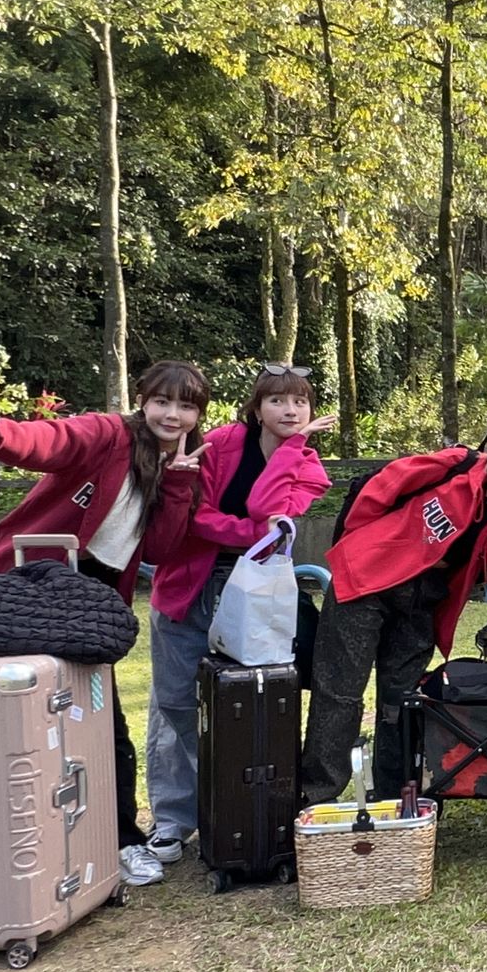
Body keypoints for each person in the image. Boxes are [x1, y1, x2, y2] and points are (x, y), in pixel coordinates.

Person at [0, 362, 212, 886]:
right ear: (142, 399)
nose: (173, 414)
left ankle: (121, 839)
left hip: (88, 607)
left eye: (186, 406)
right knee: (10, 719)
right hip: (28, 585)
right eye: (162, 401)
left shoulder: (182, 463)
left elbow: (159, 550)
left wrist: (180, 485)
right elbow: (45, 440)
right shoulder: (107, 436)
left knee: (101, 725)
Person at [301, 397, 487, 804]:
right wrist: (360, 545)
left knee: (401, 701)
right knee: (339, 693)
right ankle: (316, 800)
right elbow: (381, 487)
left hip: (423, 599)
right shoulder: (457, 465)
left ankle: (395, 797)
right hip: (369, 580)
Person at [139, 364, 335, 879]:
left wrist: (290, 452)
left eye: (299, 402)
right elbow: (193, 514)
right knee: (175, 702)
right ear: (256, 406)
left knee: (256, 699)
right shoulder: (220, 444)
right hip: (190, 583)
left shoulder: (310, 467)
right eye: (277, 401)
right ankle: (173, 819)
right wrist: (250, 533)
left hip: (257, 593)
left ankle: (237, 810)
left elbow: (265, 504)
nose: (290, 411)